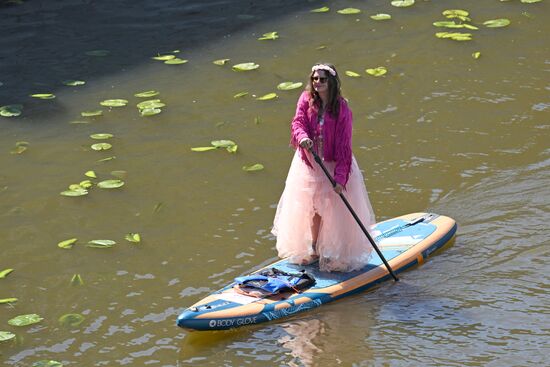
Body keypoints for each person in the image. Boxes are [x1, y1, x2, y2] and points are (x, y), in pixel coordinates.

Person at [271, 63, 377, 272]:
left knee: (337, 209)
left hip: (333, 163)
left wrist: (339, 179)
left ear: (332, 82)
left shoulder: (342, 109)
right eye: (314, 79)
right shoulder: (305, 99)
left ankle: (342, 255)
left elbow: (344, 146)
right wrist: (302, 138)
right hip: (310, 163)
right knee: (312, 208)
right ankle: (314, 251)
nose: (317, 82)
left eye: (322, 79)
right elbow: (298, 122)